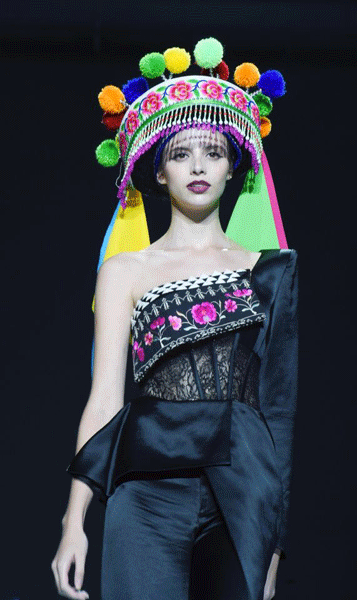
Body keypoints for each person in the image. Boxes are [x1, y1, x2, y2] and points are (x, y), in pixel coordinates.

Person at [51, 37, 298, 600]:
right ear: (159, 171)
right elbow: (104, 400)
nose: (199, 166)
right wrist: (74, 521)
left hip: (244, 491)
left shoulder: (271, 269)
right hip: (146, 490)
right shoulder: (124, 271)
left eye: (214, 152)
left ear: (233, 167)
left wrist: (276, 546)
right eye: (181, 153)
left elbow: (279, 410)